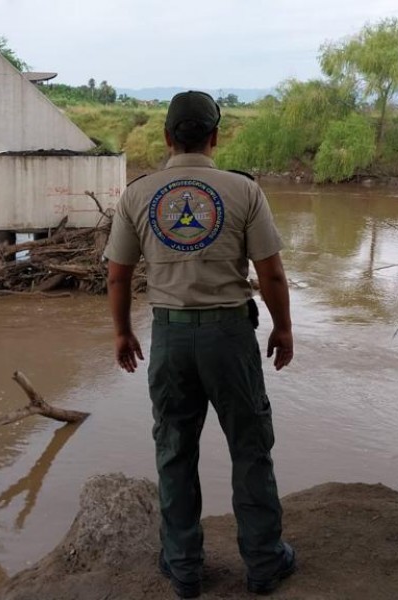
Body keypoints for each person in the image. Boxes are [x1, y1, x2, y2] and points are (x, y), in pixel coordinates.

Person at [103, 90, 295, 598]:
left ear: (167, 137)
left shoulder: (138, 194)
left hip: (168, 336)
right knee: (250, 448)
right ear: (215, 136)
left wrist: (122, 332)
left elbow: (118, 277)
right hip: (229, 334)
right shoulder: (243, 191)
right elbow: (270, 272)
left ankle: (184, 568)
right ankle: (263, 563)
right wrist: (283, 327)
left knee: (174, 451)